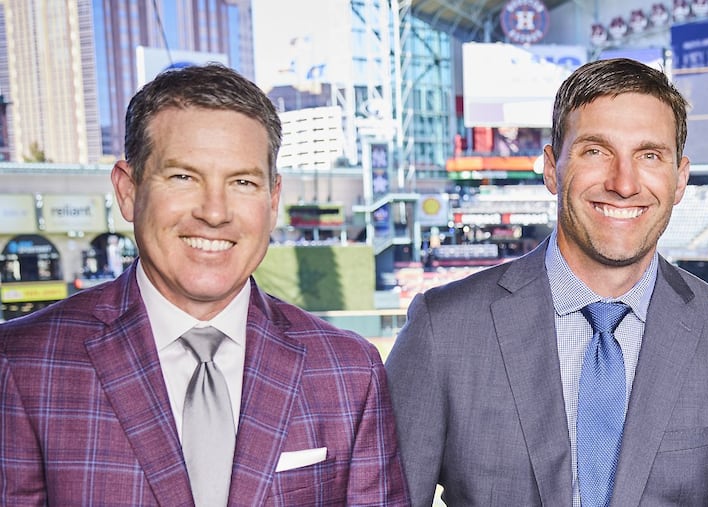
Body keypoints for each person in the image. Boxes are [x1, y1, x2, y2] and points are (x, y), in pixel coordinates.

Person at [0, 63, 409, 506]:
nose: (214, 212)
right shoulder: (22, 365)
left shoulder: (349, 371)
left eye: (242, 182)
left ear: (272, 201)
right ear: (128, 190)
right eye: (183, 177)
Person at [386, 58, 708, 506]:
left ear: (679, 179)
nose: (624, 183)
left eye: (649, 155)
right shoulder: (442, 331)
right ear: (551, 168)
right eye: (595, 150)